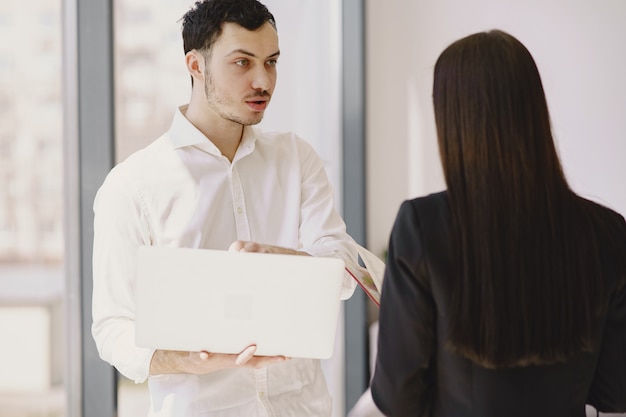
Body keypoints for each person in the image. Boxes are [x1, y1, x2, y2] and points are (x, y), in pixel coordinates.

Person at [91, 0, 357, 415]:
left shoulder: (297, 159)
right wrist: (188, 359)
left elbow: (343, 269)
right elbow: (112, 330)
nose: (262, 80)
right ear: (195, 65)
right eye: (242, 63)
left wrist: (283, 260)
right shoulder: (132, 186)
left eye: (271, 62)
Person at [370, 29, 626, 417]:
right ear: (534, 108)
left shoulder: (422, 226)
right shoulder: (608, 232)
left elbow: (397, 398)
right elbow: (615, 391)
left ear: (452, 119)